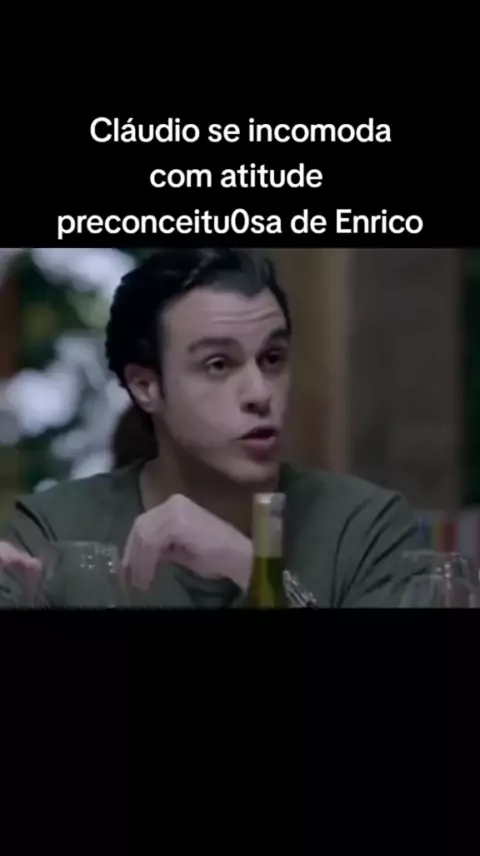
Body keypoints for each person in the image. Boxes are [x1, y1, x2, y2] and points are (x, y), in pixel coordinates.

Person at [0, 248, 422, 607]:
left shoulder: (364, 529)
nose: (260, 392)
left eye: (273, 359)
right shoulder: (56, 532)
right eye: (218, 364)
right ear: (146, 387)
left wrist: (253, 570)